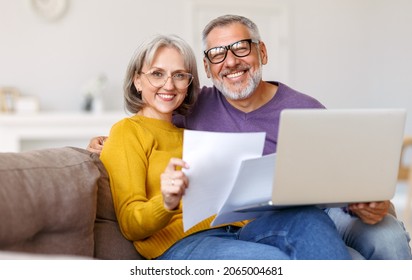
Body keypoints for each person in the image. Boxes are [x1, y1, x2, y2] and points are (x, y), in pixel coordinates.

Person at [91, 15, 411, 259]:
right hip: (200, 240)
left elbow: (347, 178)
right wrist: (105, 145)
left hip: (292, 218)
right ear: (207, 67)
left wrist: (370, 201)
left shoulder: (305, 108)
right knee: (291, 259)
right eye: (218, 53)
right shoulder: (188, 111)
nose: (230, 61)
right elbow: (140, 130)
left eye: (241, 48)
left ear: (262, 52)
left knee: (376, 235)